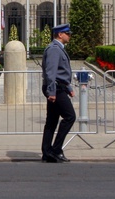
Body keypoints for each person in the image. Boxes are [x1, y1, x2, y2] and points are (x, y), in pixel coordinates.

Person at [40, 23, 75, 162]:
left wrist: (69, 88)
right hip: (56, 88)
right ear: (60, 35)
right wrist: (52, 92)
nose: (69, 36)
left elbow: (61, 73)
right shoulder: (55, 49)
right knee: (70, 117)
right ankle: (56, 150)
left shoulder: (58, 48)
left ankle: (47, 152)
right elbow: (51, 72)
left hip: (59, 87)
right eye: (68, 33)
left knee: (52, 121)